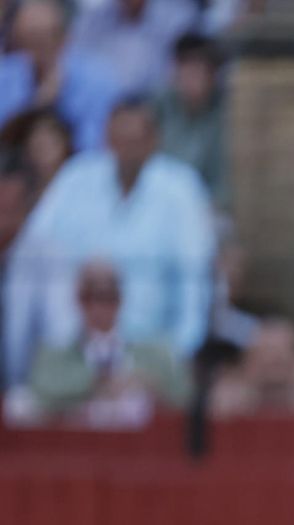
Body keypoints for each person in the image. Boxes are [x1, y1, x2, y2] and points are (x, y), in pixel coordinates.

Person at [4, 96, 215, 386]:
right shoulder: (75, 178)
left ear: (153, 140)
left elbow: (195, 282)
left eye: (135, 139)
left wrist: (179, 354)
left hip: (152, 352)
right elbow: (33, 250)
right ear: (106, 138)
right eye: (118, 139)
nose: (125, 149)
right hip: (73, 351)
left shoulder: (181, 189)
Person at [23, 258, 189, 422]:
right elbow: (41, 392)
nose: (99, 306)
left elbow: (183, 398)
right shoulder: (54, 354)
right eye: (90, 296)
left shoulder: (154, 353)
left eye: (108, 296)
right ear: (78, 299)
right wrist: (101, 382)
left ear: (120, 299)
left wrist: (148, 383)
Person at [0, 0, 119, 151]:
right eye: (26, 40)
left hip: (79, 170)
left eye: (42, 38)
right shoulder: (7, 74)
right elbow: (3, 141)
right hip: (16, 169)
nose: (34, 49)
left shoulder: (97, 80)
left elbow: (94, 150)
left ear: (63, 37)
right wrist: (37, 106)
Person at [68, 0, 198, 99]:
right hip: (103, 110)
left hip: (157, 111)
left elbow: (185, 77)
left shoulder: (179, 19)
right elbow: (72, 66)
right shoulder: (92, 20)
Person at [155, 32, 225, 207]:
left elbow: (225, 185)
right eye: (187, 68)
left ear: (213, 74)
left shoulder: (226, 114)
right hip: (157, 204)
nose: (192, 78)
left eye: (200, 69)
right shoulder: (158, 106)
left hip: (206, 207)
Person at [207, 315, 294, 417]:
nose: (275, 359)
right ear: (249, 357)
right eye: (268, 350)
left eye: (283, 351)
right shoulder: (229, 390)